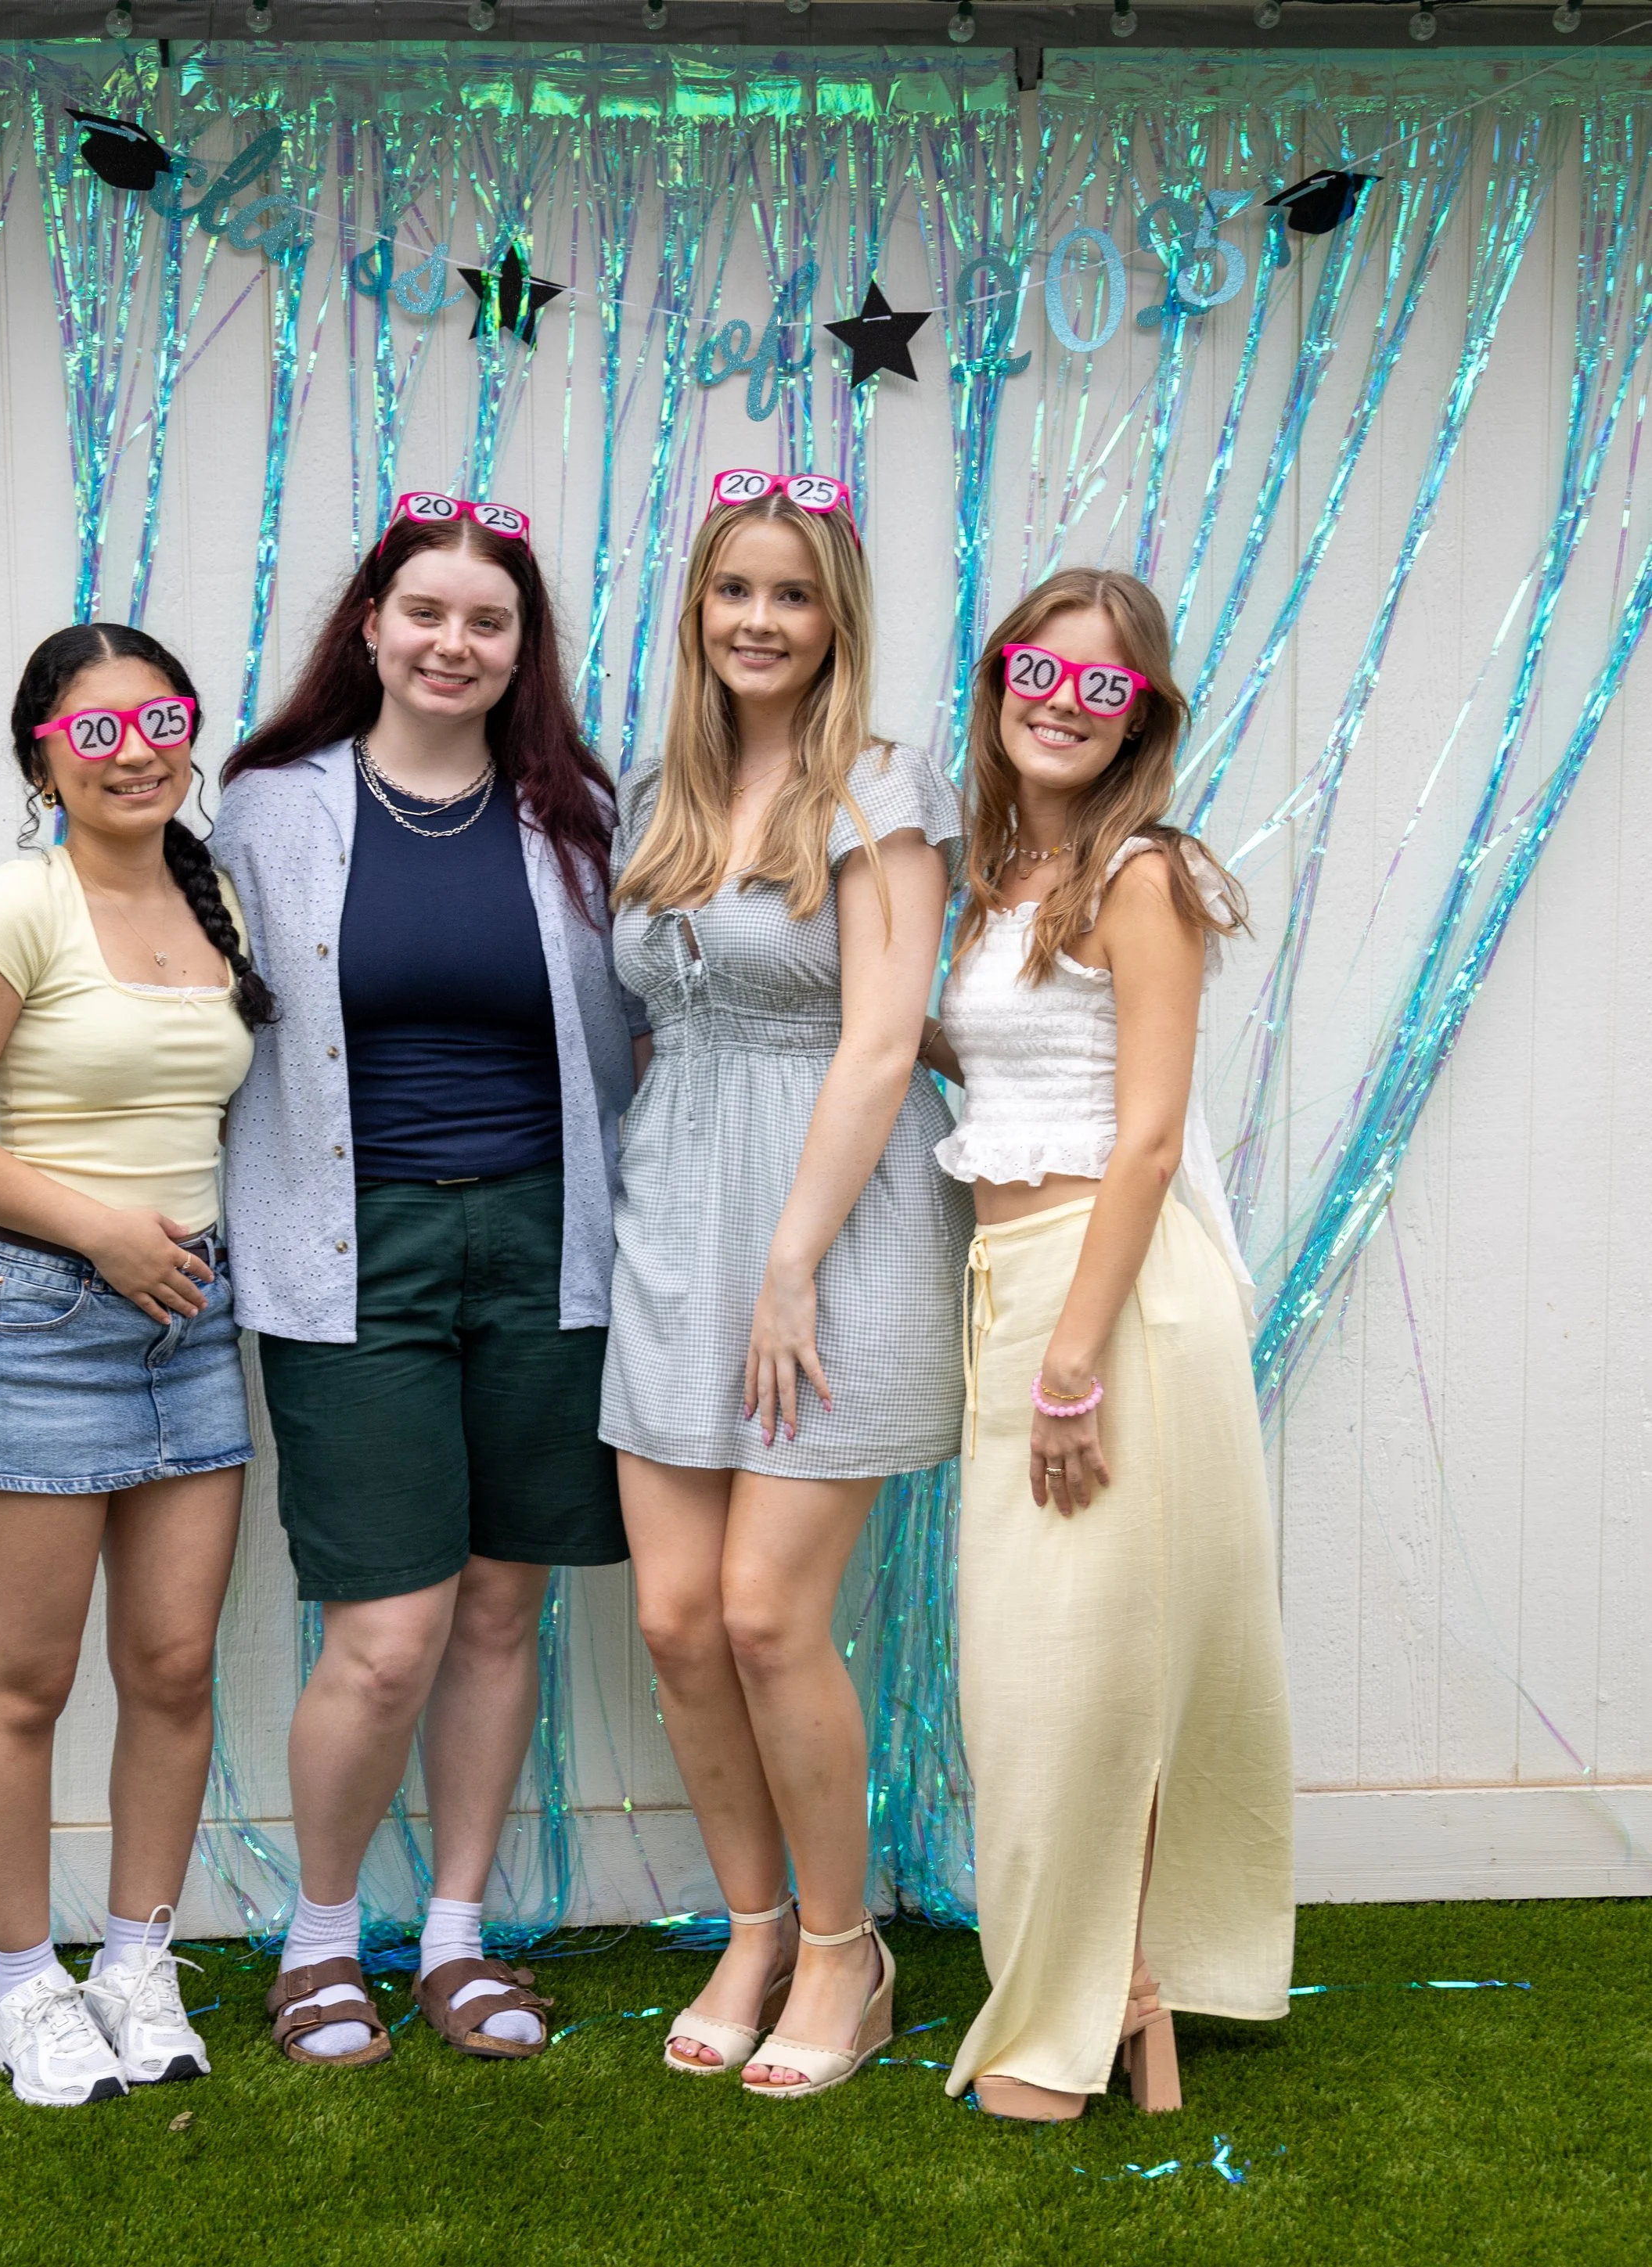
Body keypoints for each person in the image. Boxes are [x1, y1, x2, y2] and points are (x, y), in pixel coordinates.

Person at [214, 492, 641, 2067]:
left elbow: (640, 1033)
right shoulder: (267, 808)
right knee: (382, 1626)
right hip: (349, 1251)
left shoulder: (574, 813)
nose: (452, 642)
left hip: (547, 1240)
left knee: (497, 1606)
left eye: (488, 620)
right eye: (426, 612)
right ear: (371, 626)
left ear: (519, 648)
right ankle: (320, 1939)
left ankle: (457, 1936)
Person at [603, 470, 971, 2100]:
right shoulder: (654, 797)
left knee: (766, 1611)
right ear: (698, 608)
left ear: (835, 622)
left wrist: (788, 1262)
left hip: (827, 1224)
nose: (758, 619)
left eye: (792, 594)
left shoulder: (880, 794)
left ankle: (844, 1948)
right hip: (671, 1216)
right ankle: (749, 1925)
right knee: (677, 1617)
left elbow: (883, 1038)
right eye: (733, 589)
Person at [0, 624, 274, 2108]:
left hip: (193, 1322)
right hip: (40, 1318)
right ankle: (29, 1985)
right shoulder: (16, 904)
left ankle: (136, 1963)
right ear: (41, 751)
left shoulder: (215, 894)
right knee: (28, 1681)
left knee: (172, 1669)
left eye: (160, 720)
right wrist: (103, 1234)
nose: (134, 751)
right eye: (94, 729)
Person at [926, 567, 1294, 2122]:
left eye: (1101, 687)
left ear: (1139, 716)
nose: (1060, 702)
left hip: (1111, 1300)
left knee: (1088, 1676)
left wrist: (1071, 1358)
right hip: (1013, 1278)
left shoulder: (1141, 876)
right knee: (1033, 1674)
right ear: (999, 678)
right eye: (1036, 669)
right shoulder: (994, 880)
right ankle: (1086, 1991)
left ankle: (1077, 2017)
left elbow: (1143, 1139)